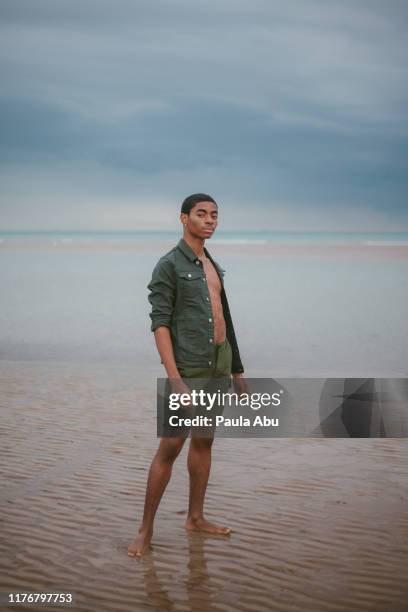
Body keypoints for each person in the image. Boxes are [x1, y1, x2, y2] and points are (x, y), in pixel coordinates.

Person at [128, 193, 246, 557]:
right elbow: (160, 324)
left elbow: (226, 318)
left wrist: (238, 369)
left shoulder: (212, 264)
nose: (210, 220)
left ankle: (195, 517)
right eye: (201, 214)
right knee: (170, 446)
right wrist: (175, 378)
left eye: (214, 215)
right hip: (188, 370)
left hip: (218, 368)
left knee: (204, 441)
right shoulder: (168, 265)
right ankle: (145, 531)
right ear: (183, 218)